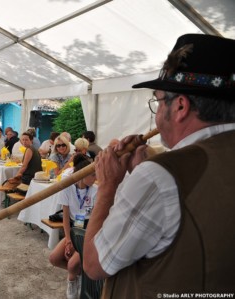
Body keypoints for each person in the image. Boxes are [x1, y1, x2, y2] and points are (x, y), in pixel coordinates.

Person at [83, 34, 235, 296]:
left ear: (179, 106)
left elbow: (94, 264)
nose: (156, 114)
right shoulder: (161, 173)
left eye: (158, 100)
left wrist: (108, 186)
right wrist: (143, 169)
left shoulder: (159, 177)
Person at [49, 154, 97, 299]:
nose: (96, 178)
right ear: (82, 175)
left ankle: (72, 279)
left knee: (71, 265)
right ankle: (81, 274)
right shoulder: (67, 188)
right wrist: (68, 240)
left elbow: (95, 221)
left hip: (89, 230)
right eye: (93, 175)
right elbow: (65, 216)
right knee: (54, 258)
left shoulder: (96, 190)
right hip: (74, 229)